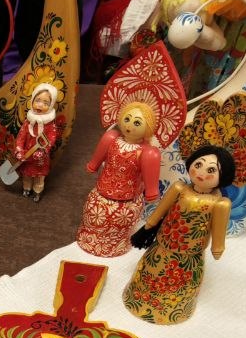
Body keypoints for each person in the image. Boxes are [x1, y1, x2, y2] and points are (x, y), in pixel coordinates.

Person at [123, 146, 234, 325]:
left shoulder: (220, 204)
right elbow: (160, 211)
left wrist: (217, 247)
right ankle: (139, 299)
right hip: (162, 246)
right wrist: (149, 225)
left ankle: (175, 309)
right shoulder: (179, 188)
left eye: (211, 170)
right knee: (151, 271)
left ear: (224, 176)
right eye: (199, 164)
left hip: (190, 256)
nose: (201, 172)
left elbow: (218, 232)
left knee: (182, 280)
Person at [79, 100, 159, 257]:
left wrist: (151, 192)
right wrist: (93, 165)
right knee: (92, 216)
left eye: (137, 122)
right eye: (127, 119)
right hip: (100, 194)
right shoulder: (111, 138)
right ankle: (89, 238)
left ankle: (116, 243)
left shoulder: (148, 152)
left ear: (148, 127)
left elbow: (151, 183)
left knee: (120, 224)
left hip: (127, 202)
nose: (130, 125)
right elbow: (95, 160)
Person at [11, 83, 59, 203]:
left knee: (39, 177)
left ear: (51, 105)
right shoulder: (28, 122)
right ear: (32, 101)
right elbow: (21, 136)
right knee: (26, 175)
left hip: (40, 159)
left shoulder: (50, 125)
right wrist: (19, 149)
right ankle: (26, 188)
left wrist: (43, 150)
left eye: (45, 103)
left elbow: (51, 139)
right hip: (27, 155)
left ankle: (37, 191)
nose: (40, 105)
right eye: (37, 100)